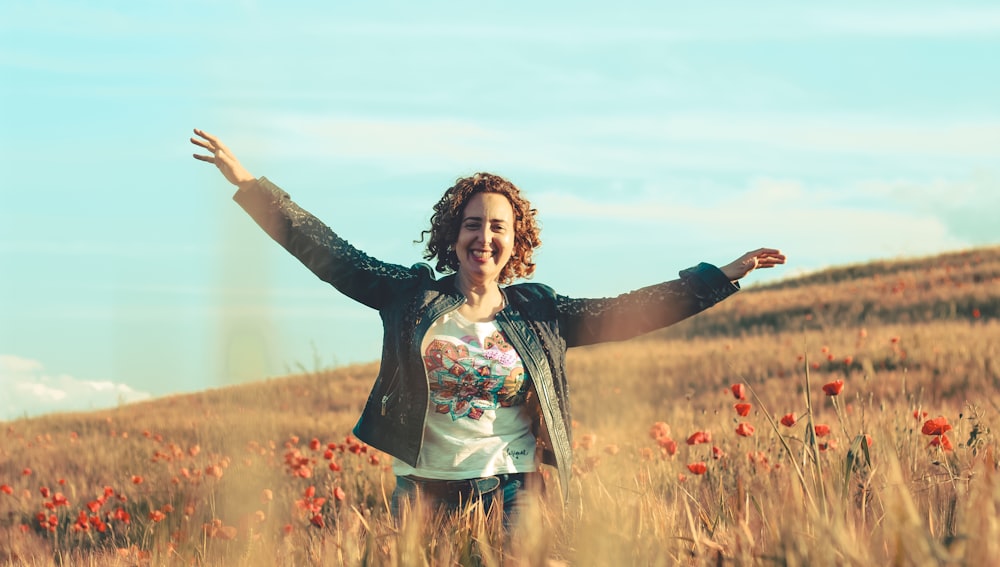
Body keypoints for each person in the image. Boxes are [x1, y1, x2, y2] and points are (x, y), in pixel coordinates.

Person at [190, 128, 785, 526]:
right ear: (453, 237)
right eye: (473, 224)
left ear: (515, 242)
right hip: (422, 493)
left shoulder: (539, 313)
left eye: (499, 226)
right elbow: (331, 253)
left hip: (512, 491)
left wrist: (721, 276)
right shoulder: (410, 295)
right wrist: (250, 185)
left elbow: (630, 310)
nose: (485, 236)